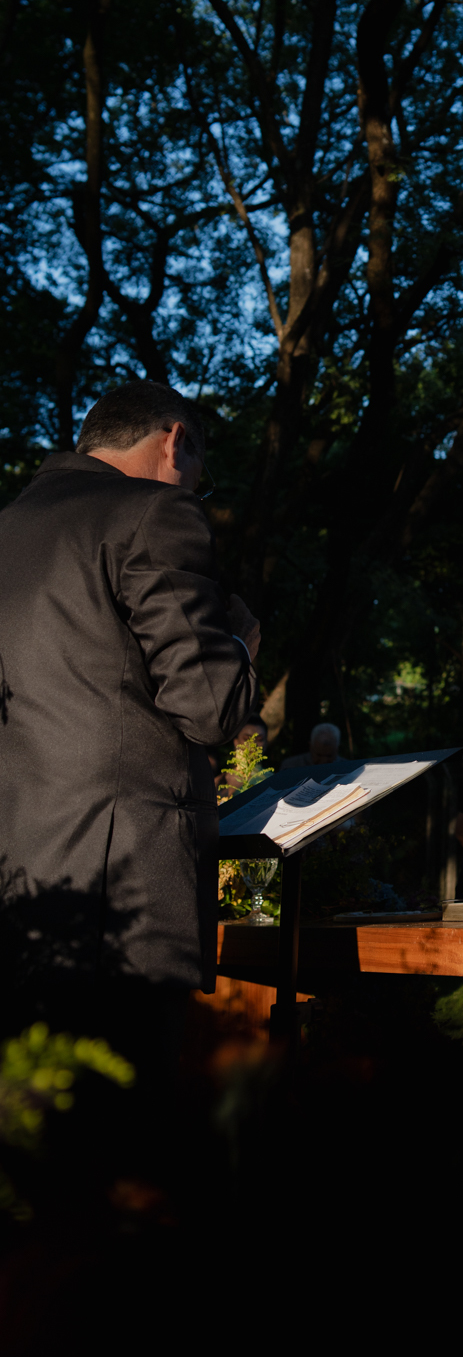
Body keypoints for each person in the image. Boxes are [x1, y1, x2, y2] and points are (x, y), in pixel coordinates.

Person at [0, 380, 259, 1076]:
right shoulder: (153, 514)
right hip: (124, 908)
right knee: (122, 1158)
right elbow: (210, 708)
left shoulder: (7, 527)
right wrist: (236, 636)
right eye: (199, 476)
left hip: (19, 906)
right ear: (174, 439)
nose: (195, 491)